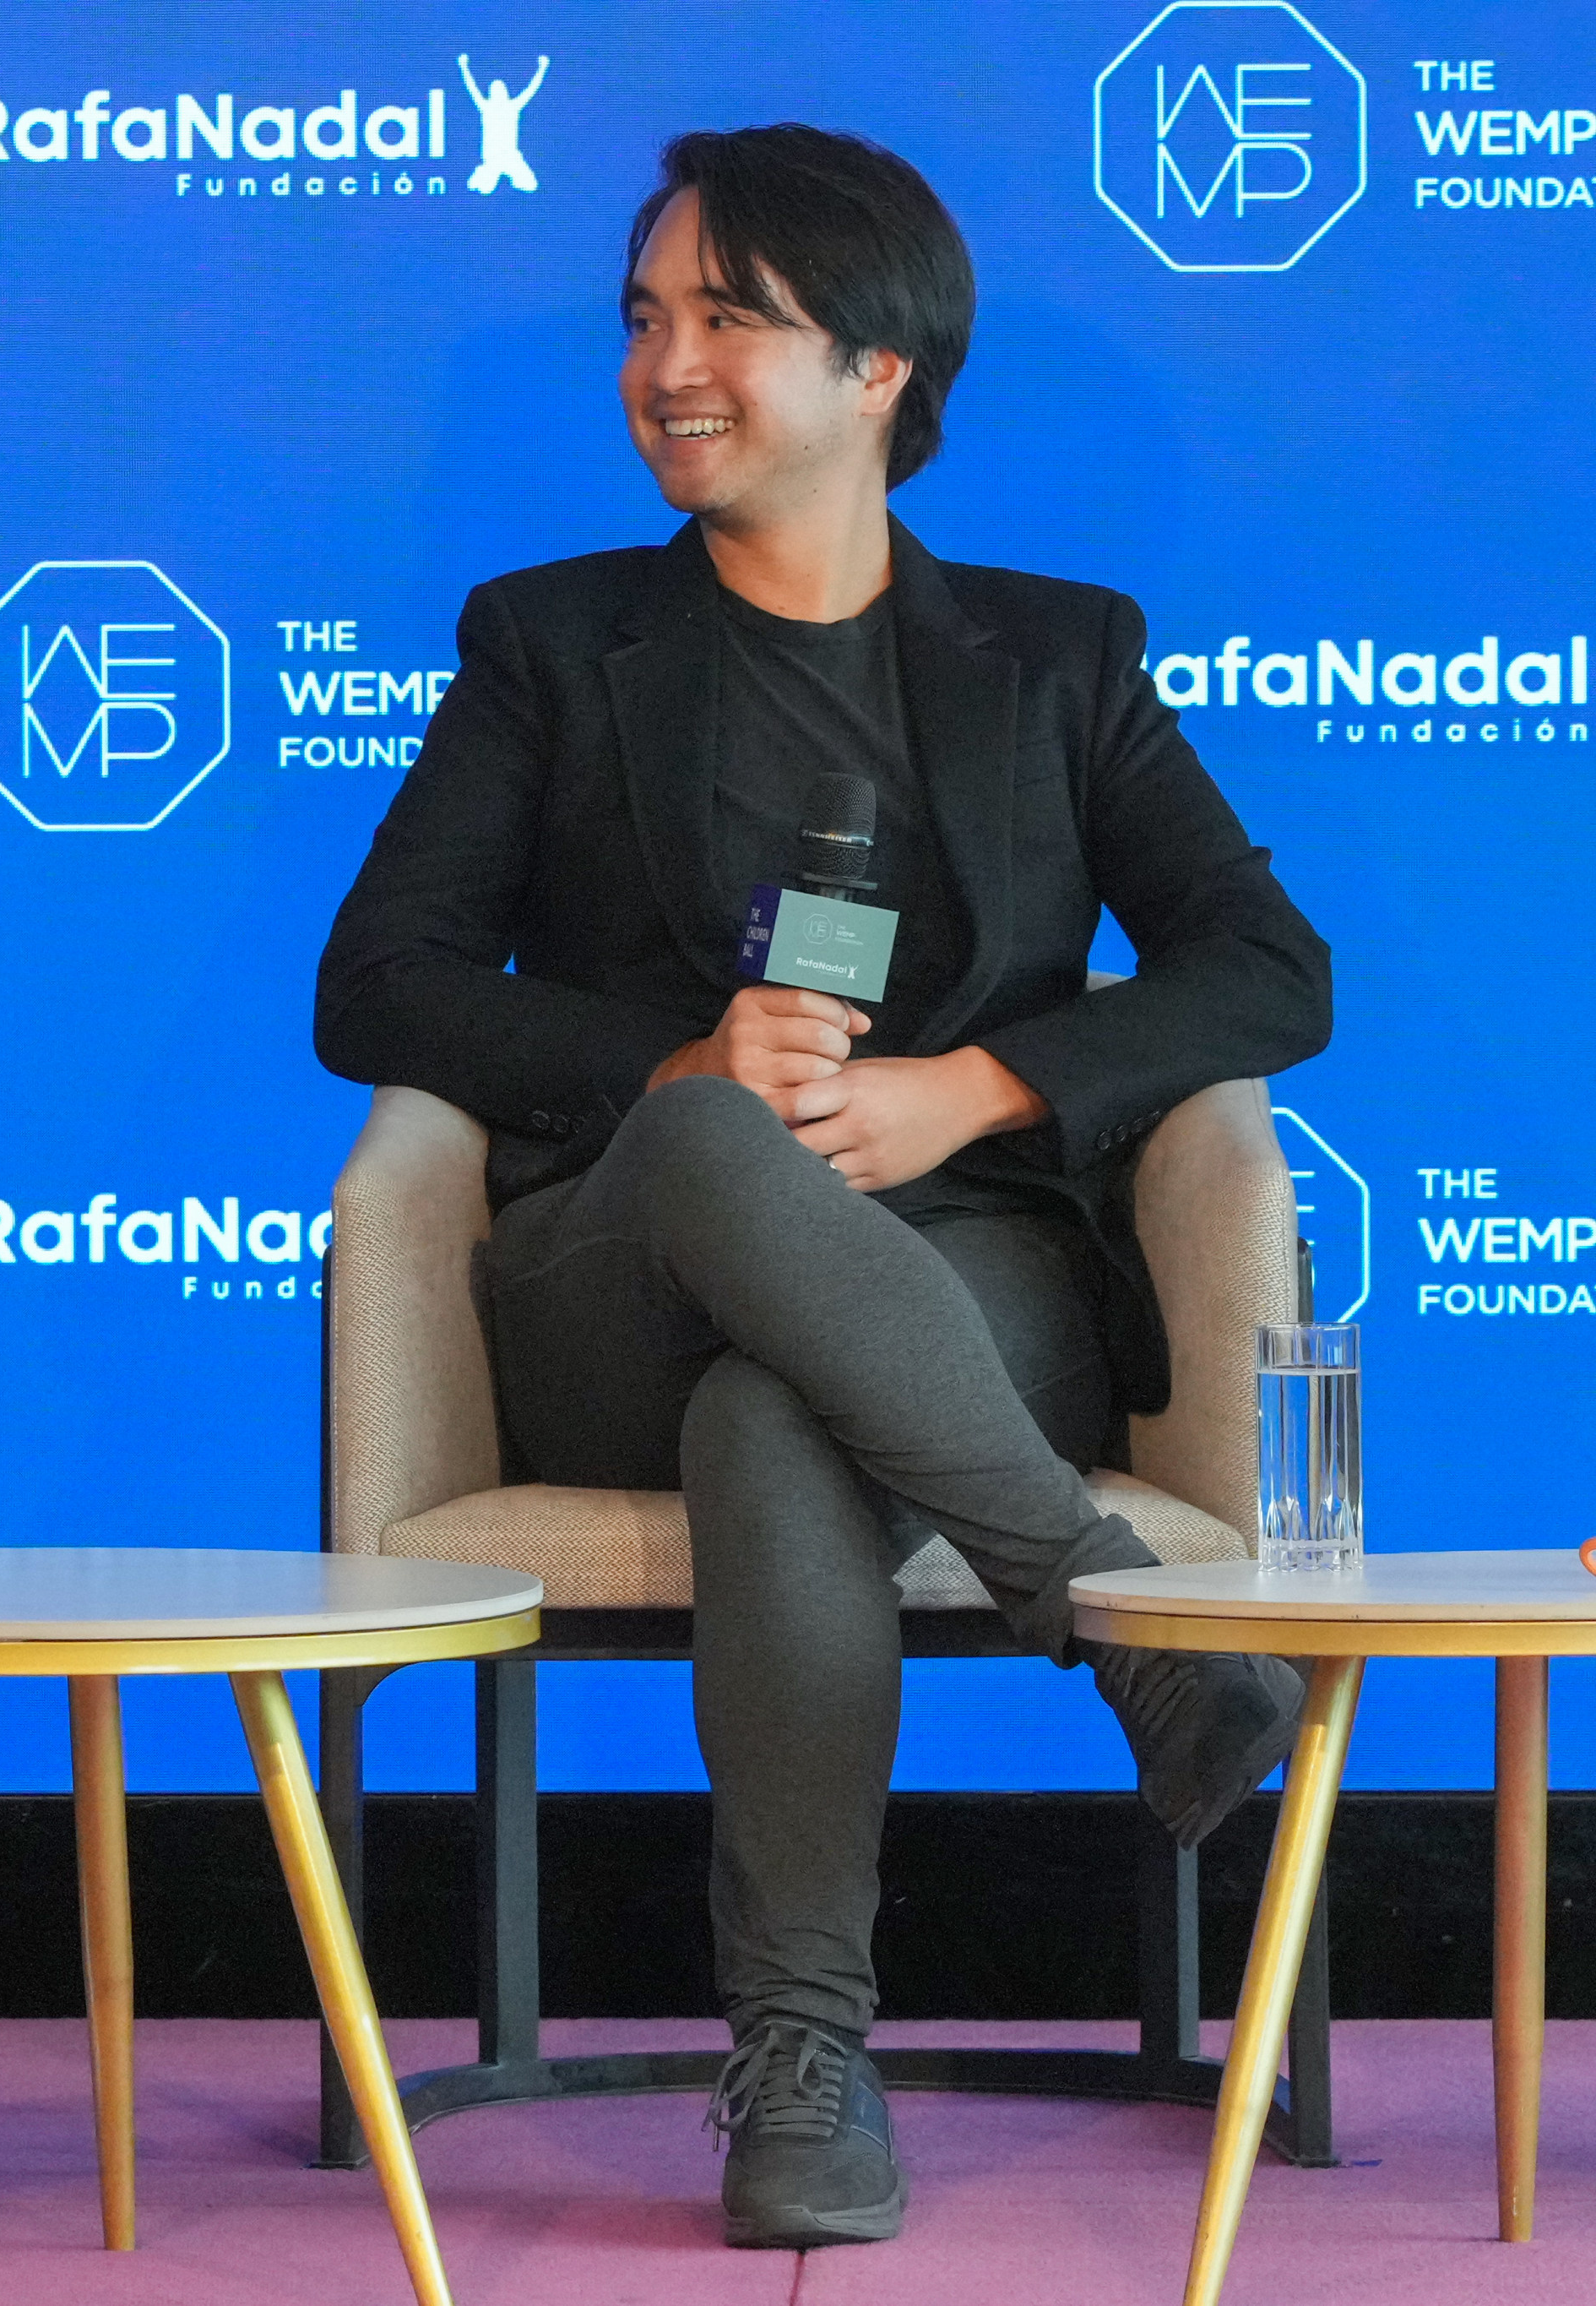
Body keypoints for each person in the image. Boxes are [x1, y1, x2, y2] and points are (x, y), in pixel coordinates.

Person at [316, 126, 1329, 2250]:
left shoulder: (1054, 659)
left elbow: (1267, 971)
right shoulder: (548, 640)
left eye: (725, 321)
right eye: (644, 318)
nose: (663, 365)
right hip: (621, 1267)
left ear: (877, 370)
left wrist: (970, 1089)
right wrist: (666, 1064)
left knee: (776, 1416)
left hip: (963, 1277)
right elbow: (376, 982)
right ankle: (1104, 1614)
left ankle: (803, 2058)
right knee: (703, 1141)